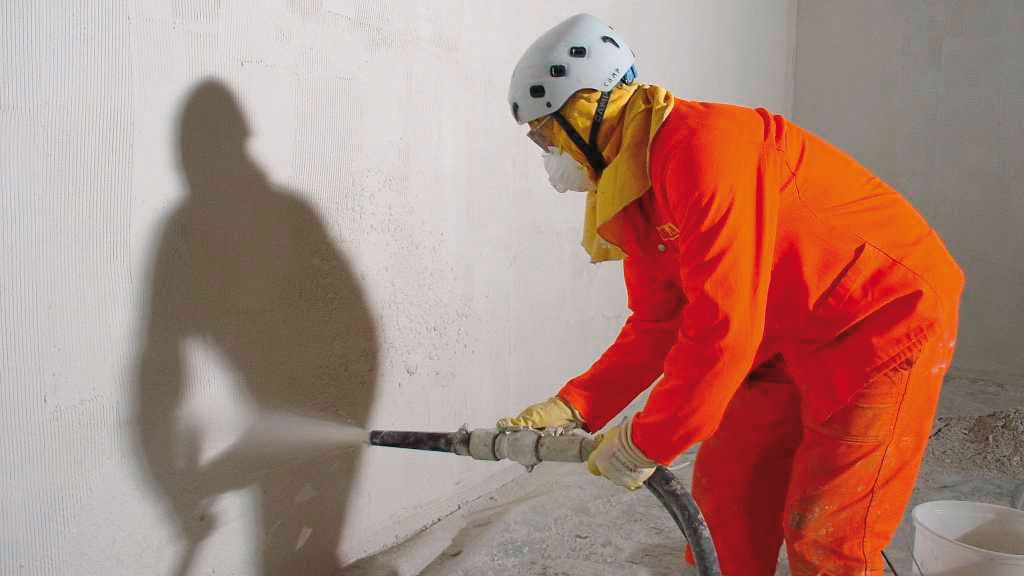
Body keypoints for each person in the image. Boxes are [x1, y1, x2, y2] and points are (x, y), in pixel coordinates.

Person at [498, 13, 964, 575]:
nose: (547, 155)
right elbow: (657, 324)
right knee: (728, 506)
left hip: (878, 316)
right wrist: (575, 405)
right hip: (782, 327)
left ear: (586, 110)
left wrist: (645, 441)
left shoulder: (703, 150)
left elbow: (723, 331)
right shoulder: (634, 182)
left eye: (546, 135)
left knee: (824, 533)